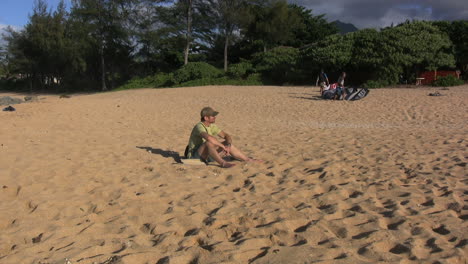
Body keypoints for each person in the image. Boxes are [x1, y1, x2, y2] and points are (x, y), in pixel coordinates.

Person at [186, 107, 261, 168]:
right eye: (212, 116)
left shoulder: (212, 126)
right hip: (195, 157)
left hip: (208, 155)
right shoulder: (199, 126)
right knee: (209, 143)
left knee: (227, 143)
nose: (215, 117)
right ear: (206, 118)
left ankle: (247, 159)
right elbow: (209, 138)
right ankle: (223, 163)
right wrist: (222, 146)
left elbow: (226, 135)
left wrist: (227, 145)